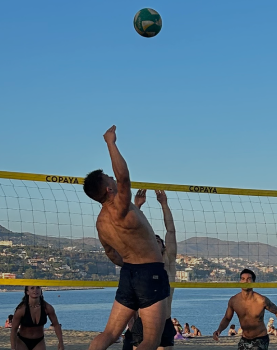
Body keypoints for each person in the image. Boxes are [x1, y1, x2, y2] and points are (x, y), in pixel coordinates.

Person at [84, 125, 171, 350]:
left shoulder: (101, 222)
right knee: (150, 341)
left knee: (110, 333)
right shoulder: (119, 207)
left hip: (129, 273)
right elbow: (124, 177)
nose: (112, 177)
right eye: (107, 178)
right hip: (149, 272)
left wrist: (130, 263)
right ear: (107, 190)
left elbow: (111, 254)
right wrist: (111, 143)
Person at [121, 189, 180, 350]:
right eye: (152, 240)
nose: (155, 242)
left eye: (158, 241)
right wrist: (136, 207)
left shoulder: (168, 262)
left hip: (165, 321)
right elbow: (131, 234)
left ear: (163, 247)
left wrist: (164, 204)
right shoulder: (142, 260)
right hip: (144, 322)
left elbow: (171, 231)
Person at [212, 269, 277, 349]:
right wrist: (219, 330)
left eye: (248, 279)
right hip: (244, 339)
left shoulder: (261, 300)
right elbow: (227, 318)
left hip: (260, 338)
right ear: (240, 281)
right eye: (243, 279)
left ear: (253, 282)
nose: (245, 281)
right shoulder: (234, 301)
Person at [10, 286, 64, 350]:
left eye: (38, 287)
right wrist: (13, 347)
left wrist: (60, 342)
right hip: (22, 341)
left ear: (41, 291)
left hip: (39, 341)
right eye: (32, 288)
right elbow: (14, 329)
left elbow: (56, 325)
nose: (35, 290)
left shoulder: (47, 308)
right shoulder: (21, 309)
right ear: (27, 292)